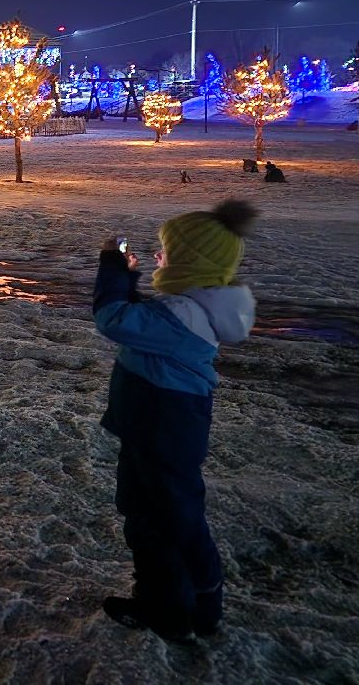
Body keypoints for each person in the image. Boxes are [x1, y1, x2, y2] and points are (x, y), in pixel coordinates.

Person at [92, 200, 259, 641]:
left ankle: (183, 607)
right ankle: (182, 604)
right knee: (158, 516)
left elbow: (113, 319)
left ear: (191, 262)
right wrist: (129, 279)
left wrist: (112, 266)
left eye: (166, 251)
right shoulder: (189, 308)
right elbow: (142, 320)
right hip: (159, 427)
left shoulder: (181, 315)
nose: (157, 257)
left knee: (169, 521)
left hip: (160, 428)